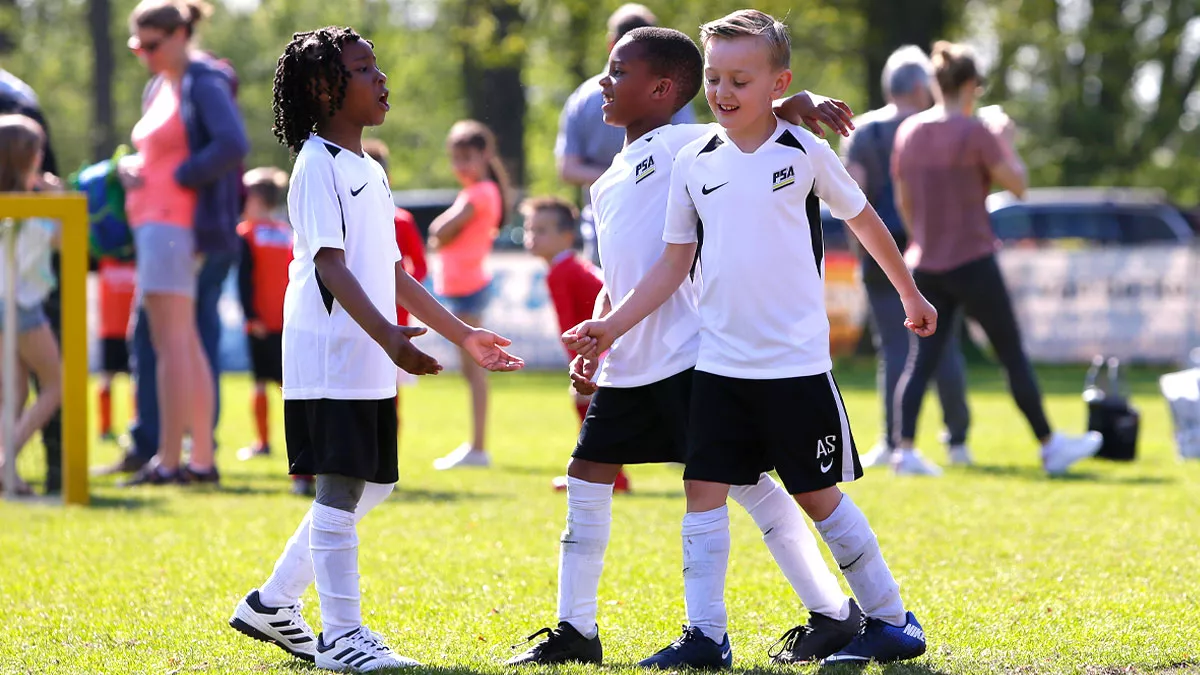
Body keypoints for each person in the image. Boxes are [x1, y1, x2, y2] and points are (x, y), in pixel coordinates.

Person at [565, 11, 936, 666]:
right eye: (714, 78)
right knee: (701, 491)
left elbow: (865, 219)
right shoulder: (693, 160)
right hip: (719, 369)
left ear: (776, 81)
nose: (723, 90)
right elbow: (669, 266)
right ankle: (706, 636)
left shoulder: (799, 150)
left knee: (816, 496)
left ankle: (890, 618)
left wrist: (909, 292)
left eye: (739, 78)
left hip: (795, 369)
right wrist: (610, 326)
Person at [513, 26, 867, 668]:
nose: (603, 82)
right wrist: (599, 332)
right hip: (630, 361)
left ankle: (833, 612)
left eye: (618, 71)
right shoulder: (606, 179)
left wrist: (798, 101)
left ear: (663, 89)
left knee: (752, 486)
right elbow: (618, 270)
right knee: (587, 473)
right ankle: (576, 631)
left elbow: (749, 114)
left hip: (692, 358)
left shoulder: (687, 141)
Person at [227, 26, 523, 672]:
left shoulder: (368, 170)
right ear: (324, 88)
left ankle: (272, 602)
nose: (381, 78)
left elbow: (392, 273)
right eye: (364, 70)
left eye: (375, 66)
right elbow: (332, 266)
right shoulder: (315, 164)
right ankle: (342, 636)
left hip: (364, 351)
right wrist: (388, 335)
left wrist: (463, 334)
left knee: (374, 485)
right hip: (330, 349)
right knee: (339, 488)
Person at [890, 41, 1102, 476]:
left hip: (925, 262)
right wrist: (1006, 140)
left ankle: (904, 450)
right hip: (972, 259)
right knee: (1010, 354)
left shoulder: (910, 132)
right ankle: (1049, 445)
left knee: (921, 360)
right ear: (971, 85)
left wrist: (922, 241)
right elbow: (1019, 185)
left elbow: (904, 202)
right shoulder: (976, 131)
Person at [115, 0, 249, 487]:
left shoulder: (201, 78)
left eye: (152, 45)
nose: (145, 54)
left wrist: (177, 176)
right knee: (182, 341)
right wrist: (136, 168)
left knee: (171, 342)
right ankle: (197, 460)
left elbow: (233, 144)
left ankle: (173, 460)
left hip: (176, 225)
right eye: (137, 46)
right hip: (155, 222)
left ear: (178, 34)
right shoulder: (160, 86)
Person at [840, 45, 970, 476]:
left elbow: (851, 195)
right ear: (920, 86)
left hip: (878, 248)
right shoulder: (934, 129)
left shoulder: (863, 130)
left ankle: (893, 439)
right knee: (943, 344)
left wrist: (861, 251)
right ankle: (957, 439)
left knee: (892, 347)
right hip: (930, 246)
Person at [556, 3, 695, 263]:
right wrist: (625, 174)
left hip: (651, 228)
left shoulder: (581, 97)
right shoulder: (589, 97)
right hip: (622, 224)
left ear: (610, 42)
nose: (606, 86)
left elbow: (569, 168)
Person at [519, 196, 630, 493]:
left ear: (567, 236)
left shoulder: (564, 271)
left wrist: (580, 364)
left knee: (587, 402)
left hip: (610, 347)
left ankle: (607, 476)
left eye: (541, 230)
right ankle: (606, 475)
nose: (532, 237)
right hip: (610, 345)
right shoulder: (566, 269)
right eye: (530, 229)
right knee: (591, 405)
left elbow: (572, 327)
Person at [427, 120, 511, 470]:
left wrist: (438, 236)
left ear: (484, 156)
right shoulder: (480, 191)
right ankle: (476, 446)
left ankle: (478, 448)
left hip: (468, 289)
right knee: (470, 371)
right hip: (463, 288)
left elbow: (438, 230)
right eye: (455, 158)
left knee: (474, 370)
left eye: (467, 157)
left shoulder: (479, 193)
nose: (460, 165)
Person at [234, 166, 317, 494]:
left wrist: (250, 314)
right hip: (291, 321)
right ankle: (298, 457)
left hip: (260, 323)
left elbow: (244, 278)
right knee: (291, 389)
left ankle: (264, 441)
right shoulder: (287, 232)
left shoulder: (246, 233)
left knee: (259, 383)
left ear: (253, 197)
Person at [0, 115, 64, 497]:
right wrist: (57, 202)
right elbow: (56, 240)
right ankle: (6, 464)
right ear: (30, 159)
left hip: (5, 305)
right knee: (56, 384)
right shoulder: (26, 210)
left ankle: (11, 476)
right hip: (22, 308)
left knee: (14, 391)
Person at [364, 138, 428, 453]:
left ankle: (381, 459)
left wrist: (396, 289)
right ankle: (382, 458)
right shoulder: (398, 219)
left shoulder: (398, 220)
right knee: (387, 394)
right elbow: (422, 268)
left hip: (380, 319)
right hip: (387, 318)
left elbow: (420, 267)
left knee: (378, 392)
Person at [96, 257, 137, 443]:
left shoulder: (136, 261)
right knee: (106, 379)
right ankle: (105, 428)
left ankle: (136, 426)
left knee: (137, 382)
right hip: (109, 331)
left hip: (132, 331)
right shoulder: (103, 260)